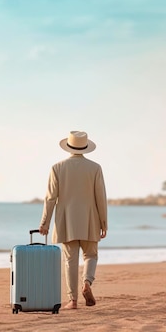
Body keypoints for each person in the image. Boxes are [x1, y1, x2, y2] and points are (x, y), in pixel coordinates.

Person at [38, 131, 108, 310]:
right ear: (85, 147)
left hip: (67, 221)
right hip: (90, 219)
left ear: (68, 147)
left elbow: (50, 198)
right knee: (91, 255)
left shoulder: (57, 168)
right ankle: (87, 282)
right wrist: (103, 222)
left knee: (70, 260)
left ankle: (73, 300)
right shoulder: (95, 168)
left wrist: (45, 223)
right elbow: (101, 197)